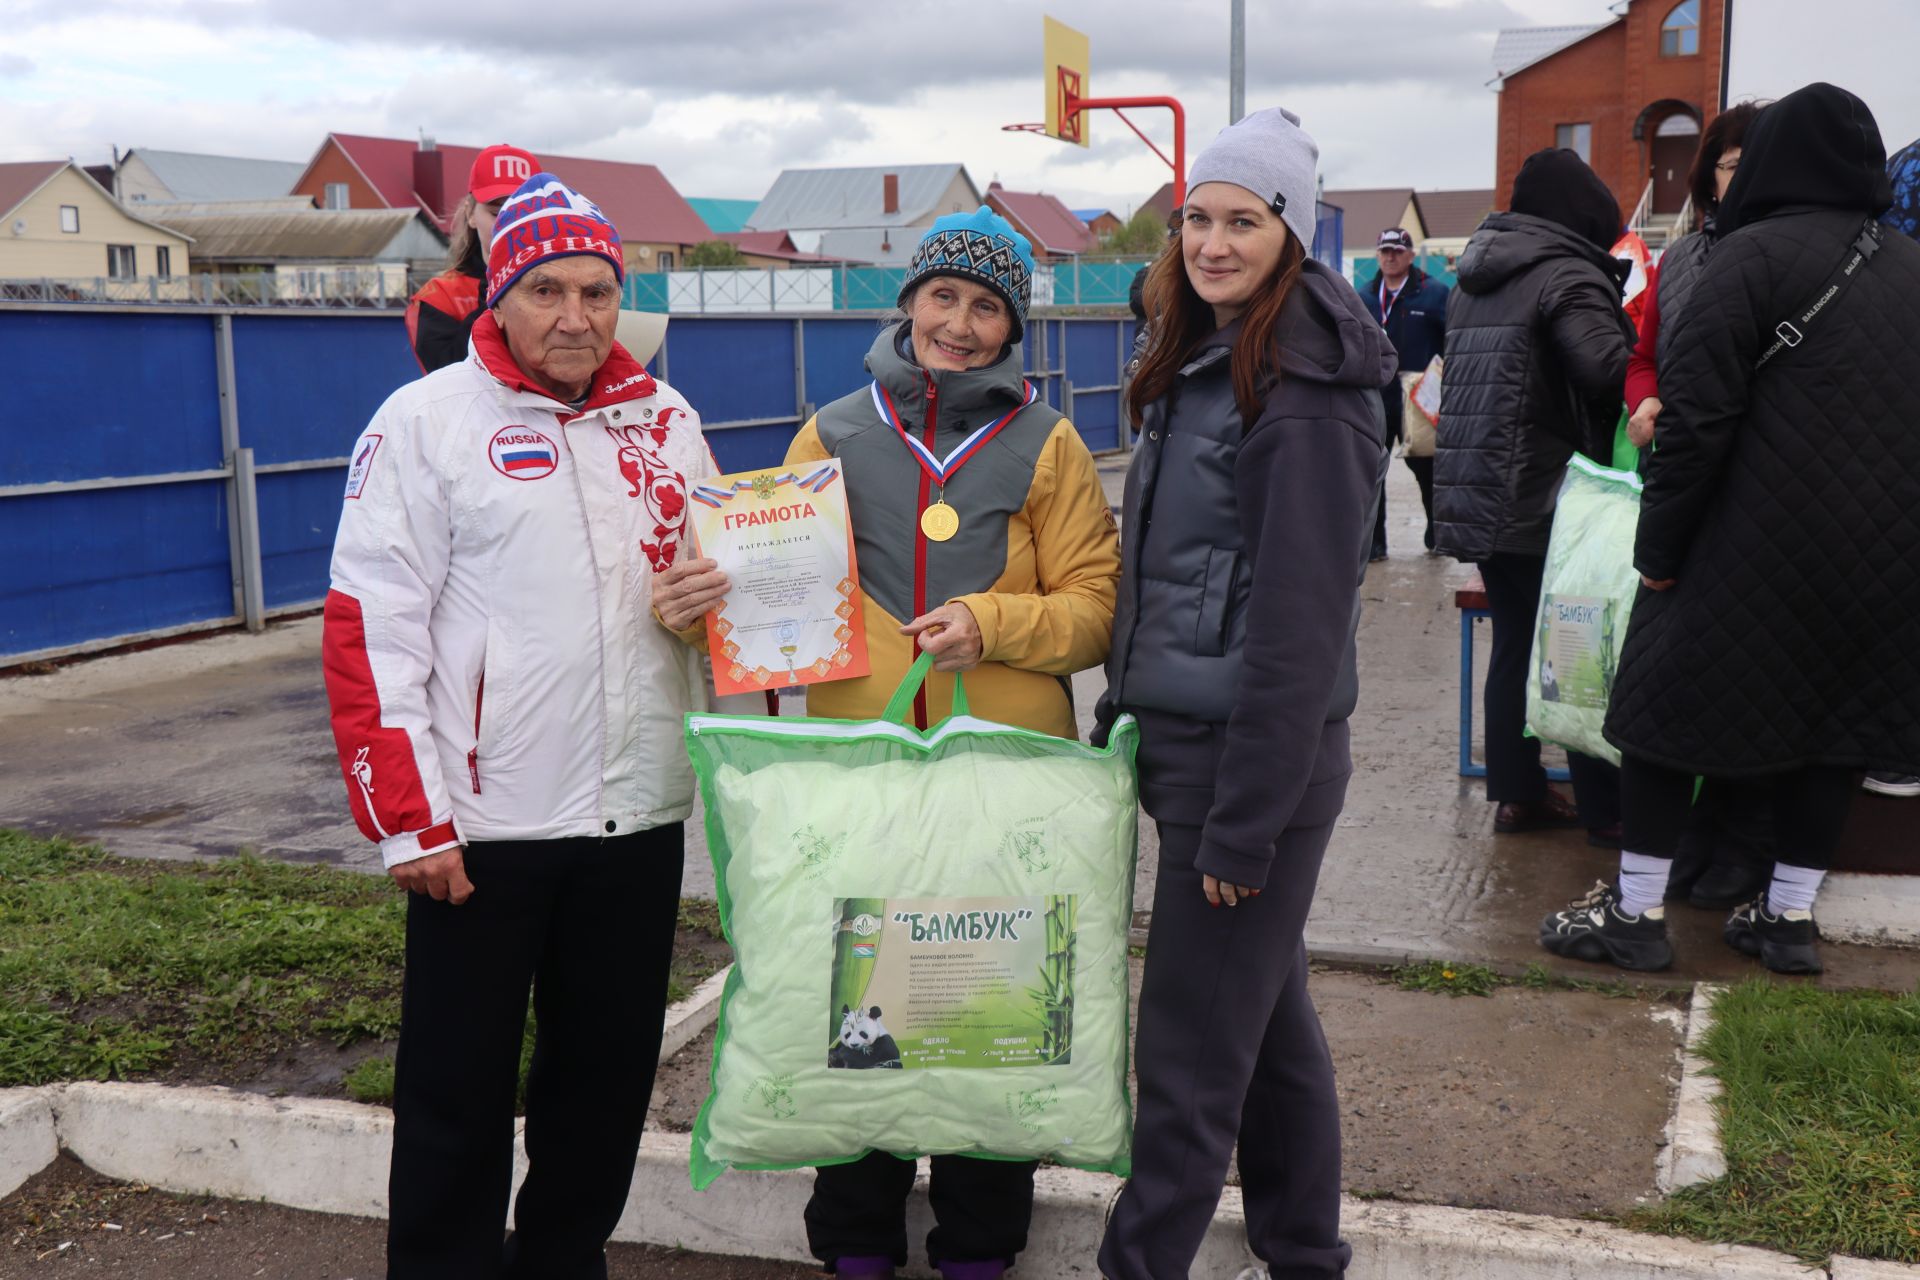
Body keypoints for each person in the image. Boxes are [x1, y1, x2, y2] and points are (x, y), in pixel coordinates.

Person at [654, 206, 1121, 1280]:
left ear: (1013, 328)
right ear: (908, 301)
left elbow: (1095, 606)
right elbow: (775, 601)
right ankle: (857, 1242)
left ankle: (979, 1246)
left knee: (989, 1015)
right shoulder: (833, 431)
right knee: (860, 1016)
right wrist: (709, 602)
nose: (959, 324)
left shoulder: (1048, 445)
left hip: (1005, 784)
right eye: (944, 296)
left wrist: (993, 624)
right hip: (856, 783)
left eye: (986, 306)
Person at [323, 173, 715, 1277]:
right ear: (499, 296)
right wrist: (412, 819)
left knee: (601, 1087)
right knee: (457, 1089)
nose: (577, 315)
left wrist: (708, 607)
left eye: (598, 289)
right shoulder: (427, 423)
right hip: (482, 826)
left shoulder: (666, 423)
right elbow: (370, 628)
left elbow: (719, 594)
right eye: (548, 289)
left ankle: (563, 1261)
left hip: (634, 818)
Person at [1093, 106, 1391, 1280]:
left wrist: (1248, 818)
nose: (1214, 242)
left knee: (1186, 1057)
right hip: (1190, 738)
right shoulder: (1207, 350)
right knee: (1263, 1029)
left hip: (1245, 764)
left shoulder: (1303, 386)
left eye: (1244, 221)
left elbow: (1299, 633)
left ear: (1293, 233)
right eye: (1198, 219)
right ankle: (1305, 1251)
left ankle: (1141, 1264)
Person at [1542, 83, 1920, 975]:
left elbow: (1694, 427)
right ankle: (1786, 918)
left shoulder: (1744, 261)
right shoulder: (1911, 268)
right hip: (1882, 566)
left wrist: (1659, 552)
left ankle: (1635, 913)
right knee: (1838, 733)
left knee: (1660, 719)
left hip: (1741, 550)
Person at [1432, 148, 1632, 843]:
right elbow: (1606, 369)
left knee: (1518, 642)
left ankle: (1518, 793)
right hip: (1547, 498)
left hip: (1481, 495)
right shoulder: (1568, 273)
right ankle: (1608, 812)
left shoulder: (1474, 279)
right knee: (1575, 647)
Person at [1621, 103, 1776, 909]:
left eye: (1755, 160)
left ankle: (1740, 837)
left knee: (1749, 677)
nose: (1739, 176)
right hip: (1680, 483)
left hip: (1759, 496)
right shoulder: (1679, 262)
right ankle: (1690, 836)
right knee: (1680, 676)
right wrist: (1642, 405)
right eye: (1728, 163)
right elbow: (1642, 357)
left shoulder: (1790, 258)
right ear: (1708, 175)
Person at [405, 143, 539, 374]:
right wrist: (497, 290)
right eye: (497, 213)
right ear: (470, 214)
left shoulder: (569, 285)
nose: (511, 224)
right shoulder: (440, 297)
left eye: (524, 213)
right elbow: (447, 375)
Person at [1363, 225, 1449, 556]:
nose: (1390, 257)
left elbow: (1450, 342)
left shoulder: (1435, 293)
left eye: (1397, 251)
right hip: (1377, 396)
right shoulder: (1365, 295)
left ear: (1410, 256)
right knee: (1371, 471)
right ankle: (1374, 544)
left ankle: (1436, 534)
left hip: (1420, 399)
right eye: (1384, 251)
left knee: (1426, 469)